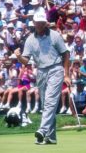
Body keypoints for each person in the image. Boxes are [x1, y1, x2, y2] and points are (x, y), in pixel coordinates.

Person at [14, 13, 70, 145]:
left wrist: (66, 74)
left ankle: (43, 130)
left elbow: (65, 54)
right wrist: (18, 57)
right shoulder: (29, 39)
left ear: (45, 23)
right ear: (34, 23)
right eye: (37, 22)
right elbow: (25, 60)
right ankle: (51, 137)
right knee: (46, 105)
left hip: (56, 69)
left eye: (41, 22)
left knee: (50, 102)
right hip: (40, 71)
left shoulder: (55, 35)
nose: (39, 24)